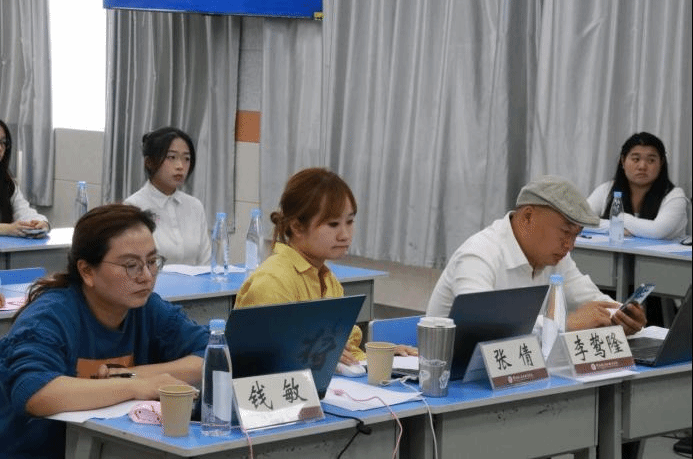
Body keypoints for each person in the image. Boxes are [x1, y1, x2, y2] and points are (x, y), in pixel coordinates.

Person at [0, 204, 209, 458]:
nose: (146, 276)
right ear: (87, 271)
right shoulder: (50, 317)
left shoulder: (146, 309)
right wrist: (136, 386)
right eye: (131, 265)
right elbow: (33, 392)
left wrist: (133, 374)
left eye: (152, 262)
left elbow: (214, 354)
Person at [235, 167, 417, 365]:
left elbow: (344, 352)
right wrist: (317, 357)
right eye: (333, 224)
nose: (345, 235)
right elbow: (263, 363)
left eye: (349, 222)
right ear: (297, 226)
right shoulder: (272, 282)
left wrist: (380, 356)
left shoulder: (328, 281)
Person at [426, 175, 646, 335]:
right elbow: (480, 330)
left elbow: (591, 301)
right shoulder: (479, 255)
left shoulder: (555, 257)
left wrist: (622, 316)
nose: (569, 245)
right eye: (565, 232)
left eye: (576, 235)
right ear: (528, 217)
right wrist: (564, 324)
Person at [125, 126, 211, 265]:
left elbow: (205, 262)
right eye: (171, 157)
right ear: (149, 162)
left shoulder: (195, 206)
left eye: (186, 158)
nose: (180, 166)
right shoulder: (133, 207)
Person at [587, 132, 688, 240]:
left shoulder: (674, 196)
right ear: (623, 161)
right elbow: (579, 220)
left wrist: (620, 218)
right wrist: (615, 228)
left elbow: (657, 231)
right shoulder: (606, 189)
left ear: (661, 163)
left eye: (651, 160)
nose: (642, 166)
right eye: (636, 159)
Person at [0, 120, 51, 237]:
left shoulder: (8, 183)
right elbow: (9, 228)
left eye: (3, 142)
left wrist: (41, 223)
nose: (0, 148)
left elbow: (24, 212)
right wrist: (6, 229)